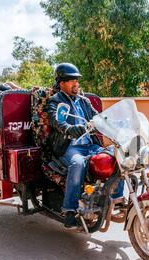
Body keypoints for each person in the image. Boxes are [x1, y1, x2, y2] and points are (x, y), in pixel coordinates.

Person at [46, 63, 124, 229]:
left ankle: (116, 199)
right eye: (72, 80)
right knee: (78, 163)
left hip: (90, 144)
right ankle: (69, 210)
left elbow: (99, 118)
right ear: (62, 83)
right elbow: (56, 121)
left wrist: (118, 125)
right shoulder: (55, 101)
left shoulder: (84, 101)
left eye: (77, 80)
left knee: (118, 155)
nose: (76, 83)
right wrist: (71, 128)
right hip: (69, 147)